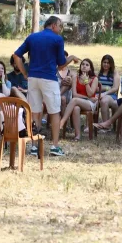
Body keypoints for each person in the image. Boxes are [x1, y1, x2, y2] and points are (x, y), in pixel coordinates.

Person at [12, 15, 79, 157]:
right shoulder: (57, 39)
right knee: (54, 112)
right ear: (54, 25)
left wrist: (24, 73)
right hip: (49, 79)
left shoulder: (32, 37)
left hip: (33, 78)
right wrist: (71, 57)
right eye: (60, 26)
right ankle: (55, 146)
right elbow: (61, 64)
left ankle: (34, 146)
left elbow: (17, 56)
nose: (60, 30)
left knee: (35, 112)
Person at [59, 59, 99, 140]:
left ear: (90, 68)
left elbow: (90, 93)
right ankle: (77, 135)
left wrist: (86, 81)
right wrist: (88, 98)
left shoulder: (94, 79)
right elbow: (74, 94)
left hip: (90, 104)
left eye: (87, 65)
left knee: (74, 100)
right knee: (76, 108)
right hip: (84, 100)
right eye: (83, 64)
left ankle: (62, 122)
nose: (84, 66)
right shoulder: (76, 78)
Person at [97, 54, 120, 124]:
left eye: (108, 63)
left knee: (104, 101)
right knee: (91, 101)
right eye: (104, 62)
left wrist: (105, 93)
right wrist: (106, 88)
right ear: (101, 63)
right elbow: (95, 87)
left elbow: (115, 88)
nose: (106, 64)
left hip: (111, 96)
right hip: (98, 94)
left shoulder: (114, 73)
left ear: (111, 64)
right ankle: (90, 125)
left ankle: (106, 125)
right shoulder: (99, 73)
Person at [57, 51, 73, 121]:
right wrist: (61, 82)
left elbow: (72, 85)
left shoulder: (70, 72)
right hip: (55, 92)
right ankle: (62, 122)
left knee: (68, 79)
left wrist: (70, 82)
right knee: (62, 98)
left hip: (67, 95)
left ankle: (62, 121)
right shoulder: (54, 70)